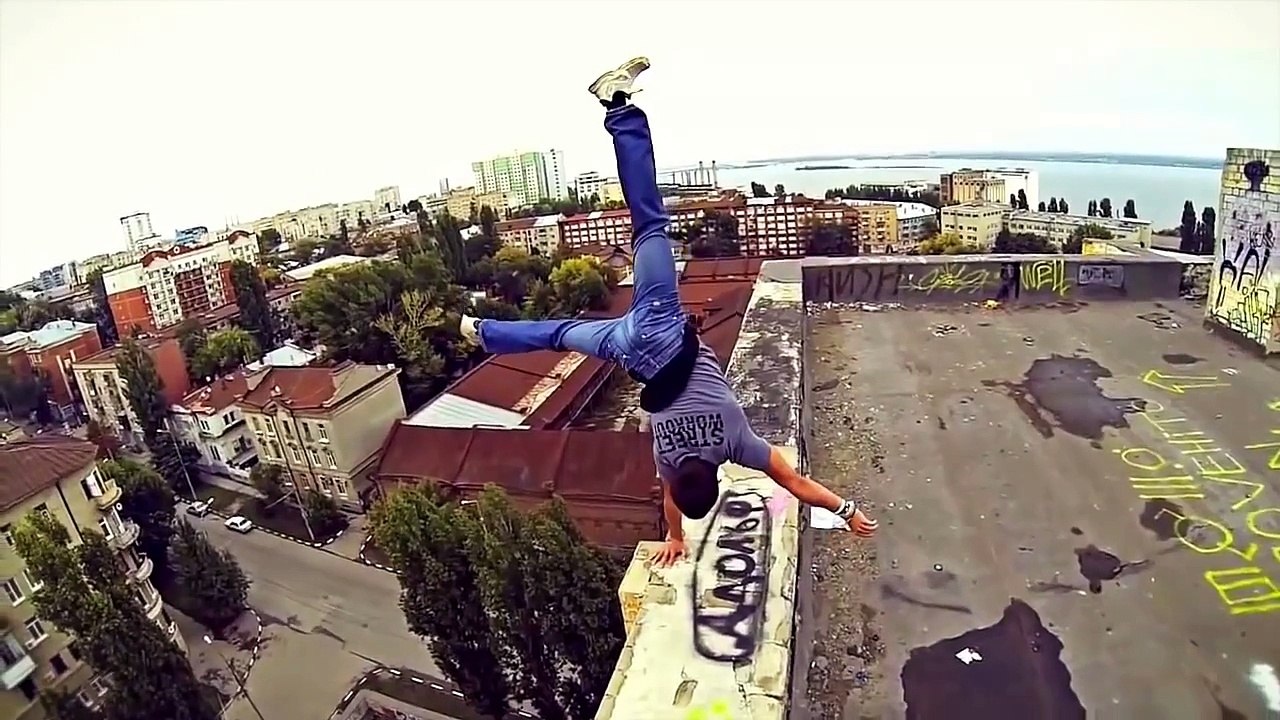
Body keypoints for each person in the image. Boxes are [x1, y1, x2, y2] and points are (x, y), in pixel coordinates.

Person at [460, 57, 878, 565]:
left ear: (716, 477)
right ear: (682, 479)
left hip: (659, 322)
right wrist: (675, 538)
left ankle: (617, 105)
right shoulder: (667, 457)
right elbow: (668, 501)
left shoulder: (736, 442)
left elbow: (794, 482)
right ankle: (481, 330)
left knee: (650, 223)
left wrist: (848, 509)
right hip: (627, 350)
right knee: (560, 333)